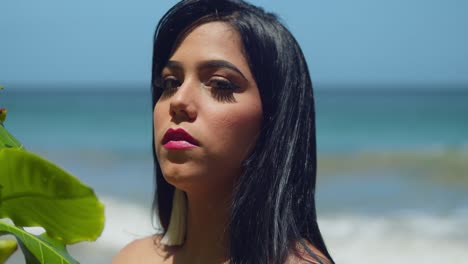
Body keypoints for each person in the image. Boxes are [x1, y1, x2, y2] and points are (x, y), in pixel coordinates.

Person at [113, 0, 334, 263]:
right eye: (170, 82)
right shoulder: (133, 258)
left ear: (274, 119)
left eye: (220, 84)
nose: (178, 101)